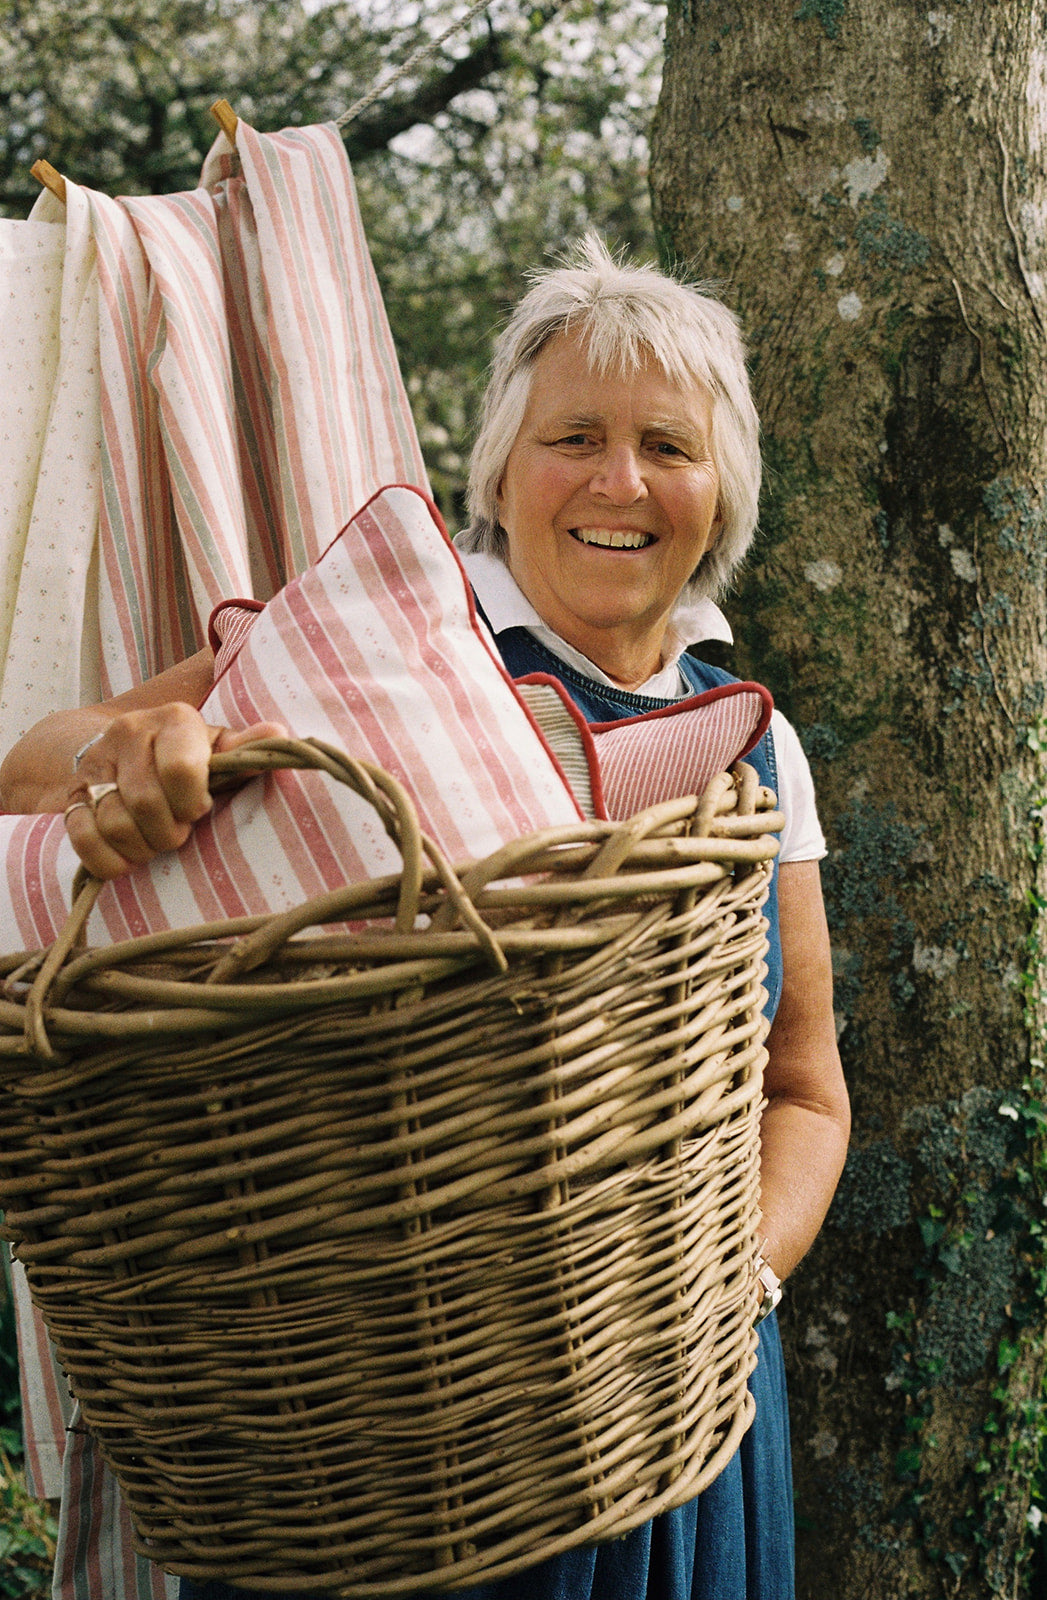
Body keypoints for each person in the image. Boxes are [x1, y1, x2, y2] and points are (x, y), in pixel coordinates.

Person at [0, 235, 850, 1600]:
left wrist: (724, 1287)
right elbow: (35, 765)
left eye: (669, 446)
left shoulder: (756, 746)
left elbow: (805, 1088)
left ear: (722, 491)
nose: (619, 482)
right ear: (502, 472)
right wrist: (136, 761)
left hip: (675, 1421)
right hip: (377, 1434)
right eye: (574, 435)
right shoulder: (386, 644)